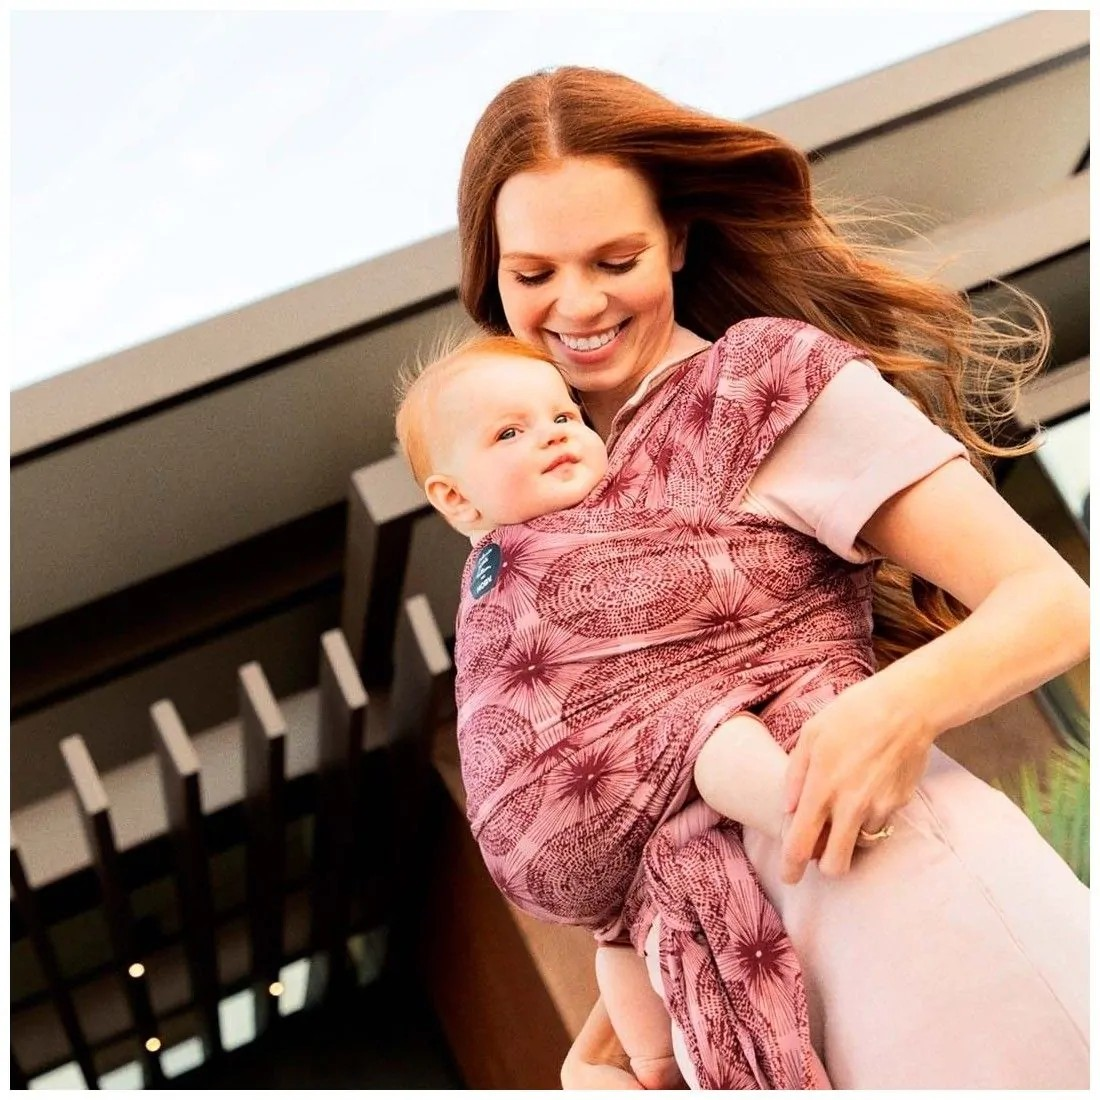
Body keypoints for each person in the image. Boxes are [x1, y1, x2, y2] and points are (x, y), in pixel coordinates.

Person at [447, 65, 1090, 1089]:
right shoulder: (541, 509)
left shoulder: (761, 379)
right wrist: (616, 1036)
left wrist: (896, 707)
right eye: (531, 275)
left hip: (905, 900)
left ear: (679, 241)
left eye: (614, 258)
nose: (575, 303)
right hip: (743, 991)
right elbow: (636, 781)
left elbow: (1051, 601)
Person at [396, 331, 846, 1088]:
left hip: (608, 856)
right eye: (510, 432)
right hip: (585, 776)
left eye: (564, 416)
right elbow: (513, 684)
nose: (552, 435)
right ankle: (796, 805)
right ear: (456, 498)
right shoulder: (512, 560)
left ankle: (654, 1062)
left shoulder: (575, 523)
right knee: (706, 729)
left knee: (625, 930)